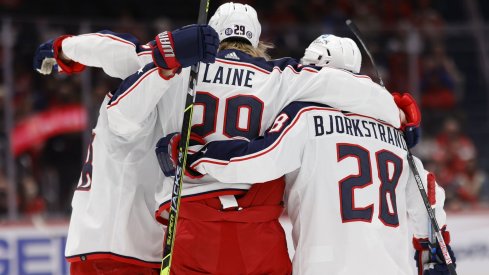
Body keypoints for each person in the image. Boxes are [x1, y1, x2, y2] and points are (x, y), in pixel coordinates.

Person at [107, 2, 405, 274]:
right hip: (259, 228)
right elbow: (345, 83)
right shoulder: (280, 75)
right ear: (257, 39)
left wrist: (164, 60)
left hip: (192, 224)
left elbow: (120, 118)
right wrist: (397, 113)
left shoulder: (183, 70)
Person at [159, 35, 457, 275]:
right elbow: (429, 199)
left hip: (325, 266)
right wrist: (437, 252)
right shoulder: (396, 133)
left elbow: (255, 163)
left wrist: (195, 156)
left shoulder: (306, 117)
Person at [33, 25, 219, 274]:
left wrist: (64, 49)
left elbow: (116, 49)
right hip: (119, 253)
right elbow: (123, 56)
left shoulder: (153, 87)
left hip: (109, 247)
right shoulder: (136, 106)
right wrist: (166, 63)